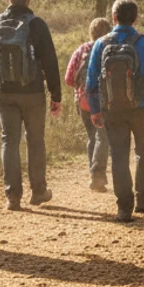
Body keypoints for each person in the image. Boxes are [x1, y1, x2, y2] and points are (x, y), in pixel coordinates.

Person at [0, 0, 63, 212]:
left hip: (4, 93)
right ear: (29, 0)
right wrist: (56, 95)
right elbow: (50, 61)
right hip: (33, 92)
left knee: (9, 141)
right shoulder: (37, 25)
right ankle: (38, 192)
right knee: (35, 140)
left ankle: (12, 197)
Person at [86, 0, 144, 223]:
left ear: (114, 18)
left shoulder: (101, 44)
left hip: (112, 108)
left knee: (119, 155)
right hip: (142, 107)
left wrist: (95, 110)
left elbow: (91, 80)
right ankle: (143, 200)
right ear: (136, 18)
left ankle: (124, 207)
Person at [65, 17, 112, 192]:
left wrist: (81, 88)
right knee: (103, 137)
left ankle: (94, 173)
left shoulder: (81, 50)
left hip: (83, 101)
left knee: (93, 136)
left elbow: (69, 79)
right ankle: (97, 176)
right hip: (105, 101)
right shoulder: (109, 50)